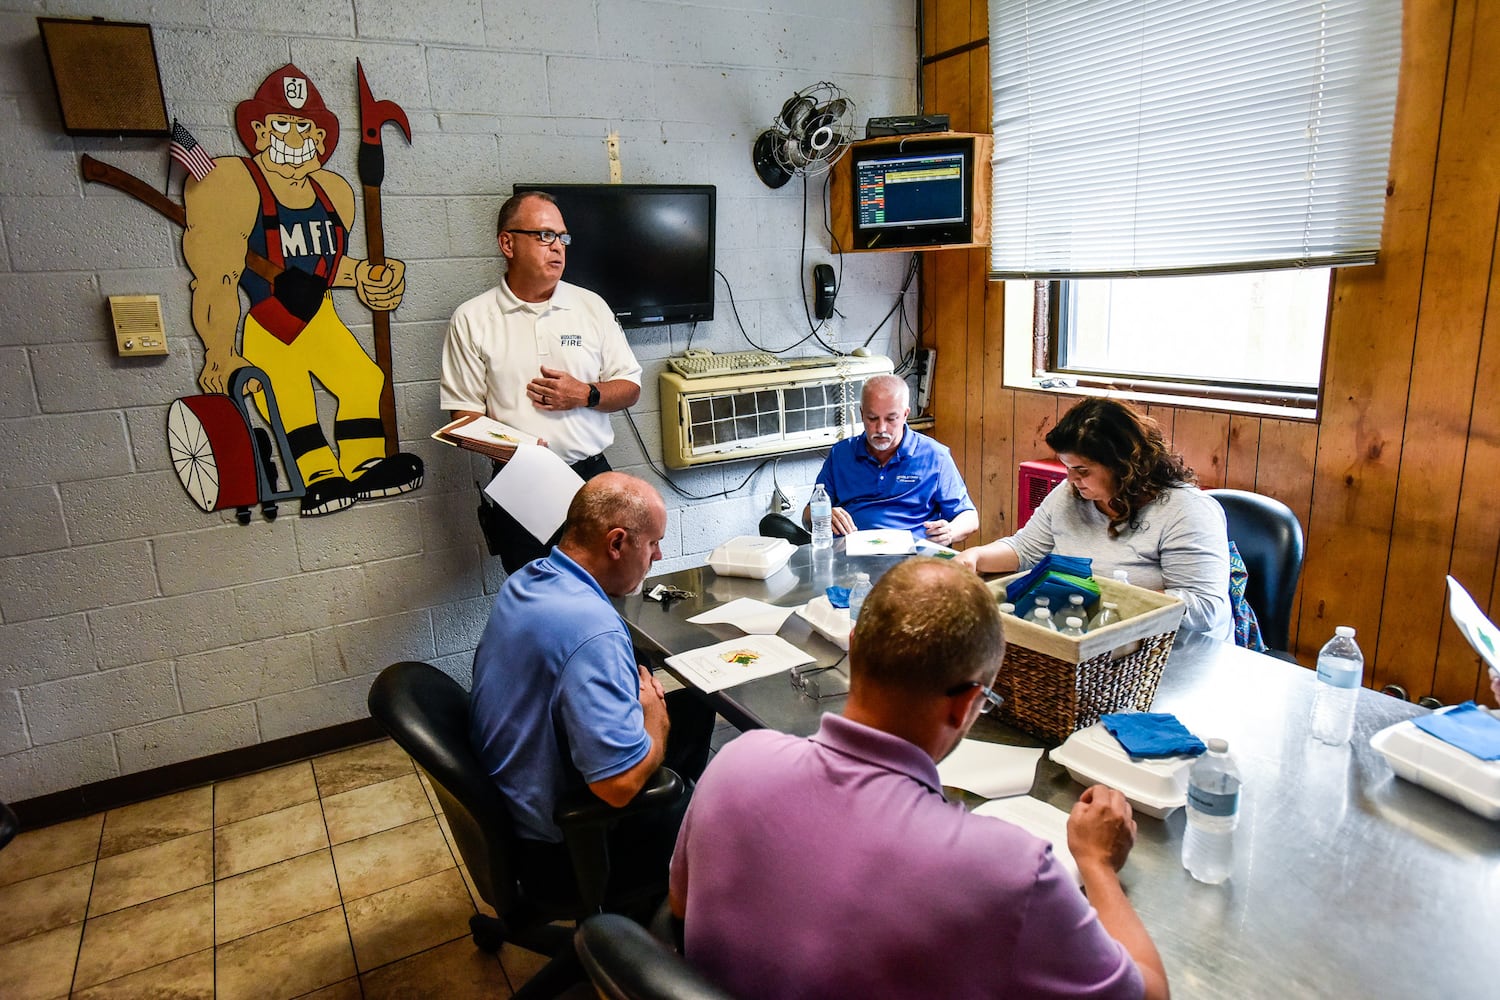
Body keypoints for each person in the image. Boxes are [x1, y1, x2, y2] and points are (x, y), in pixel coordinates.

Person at [669, 558, 1168, 1000]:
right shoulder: (1007, 871)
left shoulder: (736, 762)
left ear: (855, 648)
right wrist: (1098, 865)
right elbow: (1148, 993)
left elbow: (680, 905)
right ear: (969, 705)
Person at [182, 64, 423, 516]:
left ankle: (364, 463)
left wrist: (368, 277)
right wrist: (219, 350)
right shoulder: (237, 185)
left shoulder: (333, 191)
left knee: (362, 379)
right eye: (283, 125)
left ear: (321, 138)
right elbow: (218, 276)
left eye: (305, 127)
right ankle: (317, 475)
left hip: (321, 314)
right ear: (257, 131)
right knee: (290, 397)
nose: (295, 140)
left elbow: (324, 268)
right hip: (270, 320)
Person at [469, 472, 714, 898]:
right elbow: (615, 788)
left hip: (512, 798)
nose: (658, 555)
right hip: (559, 846)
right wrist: (653, 722)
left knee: (694, 705)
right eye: (653, 542)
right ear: (617, 543)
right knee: (714, 810)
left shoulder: (529, 578)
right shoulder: (593, 630)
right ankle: (662, 896)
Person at [441, 191, 642, 573]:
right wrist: (522, 450)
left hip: (591, 478)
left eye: (563, 237)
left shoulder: (590, 306)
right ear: (507, 243)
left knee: (606, 593)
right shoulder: (472, 318)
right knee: (537, 597)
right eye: (545, 236)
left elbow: (630, 387)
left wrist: (585, 393)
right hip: (523, 483)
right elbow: (464, 418)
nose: (558, 248)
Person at [957, 397, 1231, 639]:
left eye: (1082, 470)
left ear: (1123, 466)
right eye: (1067, 468)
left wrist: (1114, 600)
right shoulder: (1070, 495)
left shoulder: (1186, 512)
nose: (1072, 479)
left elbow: (1205, 608)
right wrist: (976, 556)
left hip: (1166, 650)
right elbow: (1025, 549)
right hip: (1087, 636)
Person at [801, 374, 978, 546]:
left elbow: (969, 517)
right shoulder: (841, 454)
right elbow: (807, 515)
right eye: (872, 419)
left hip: (915, 559)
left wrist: (951, 531)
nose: (881, 428)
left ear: (905, 414)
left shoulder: (935, 456)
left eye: (891, 419)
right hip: (850, 557)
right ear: (862, 414)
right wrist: (823, 514)